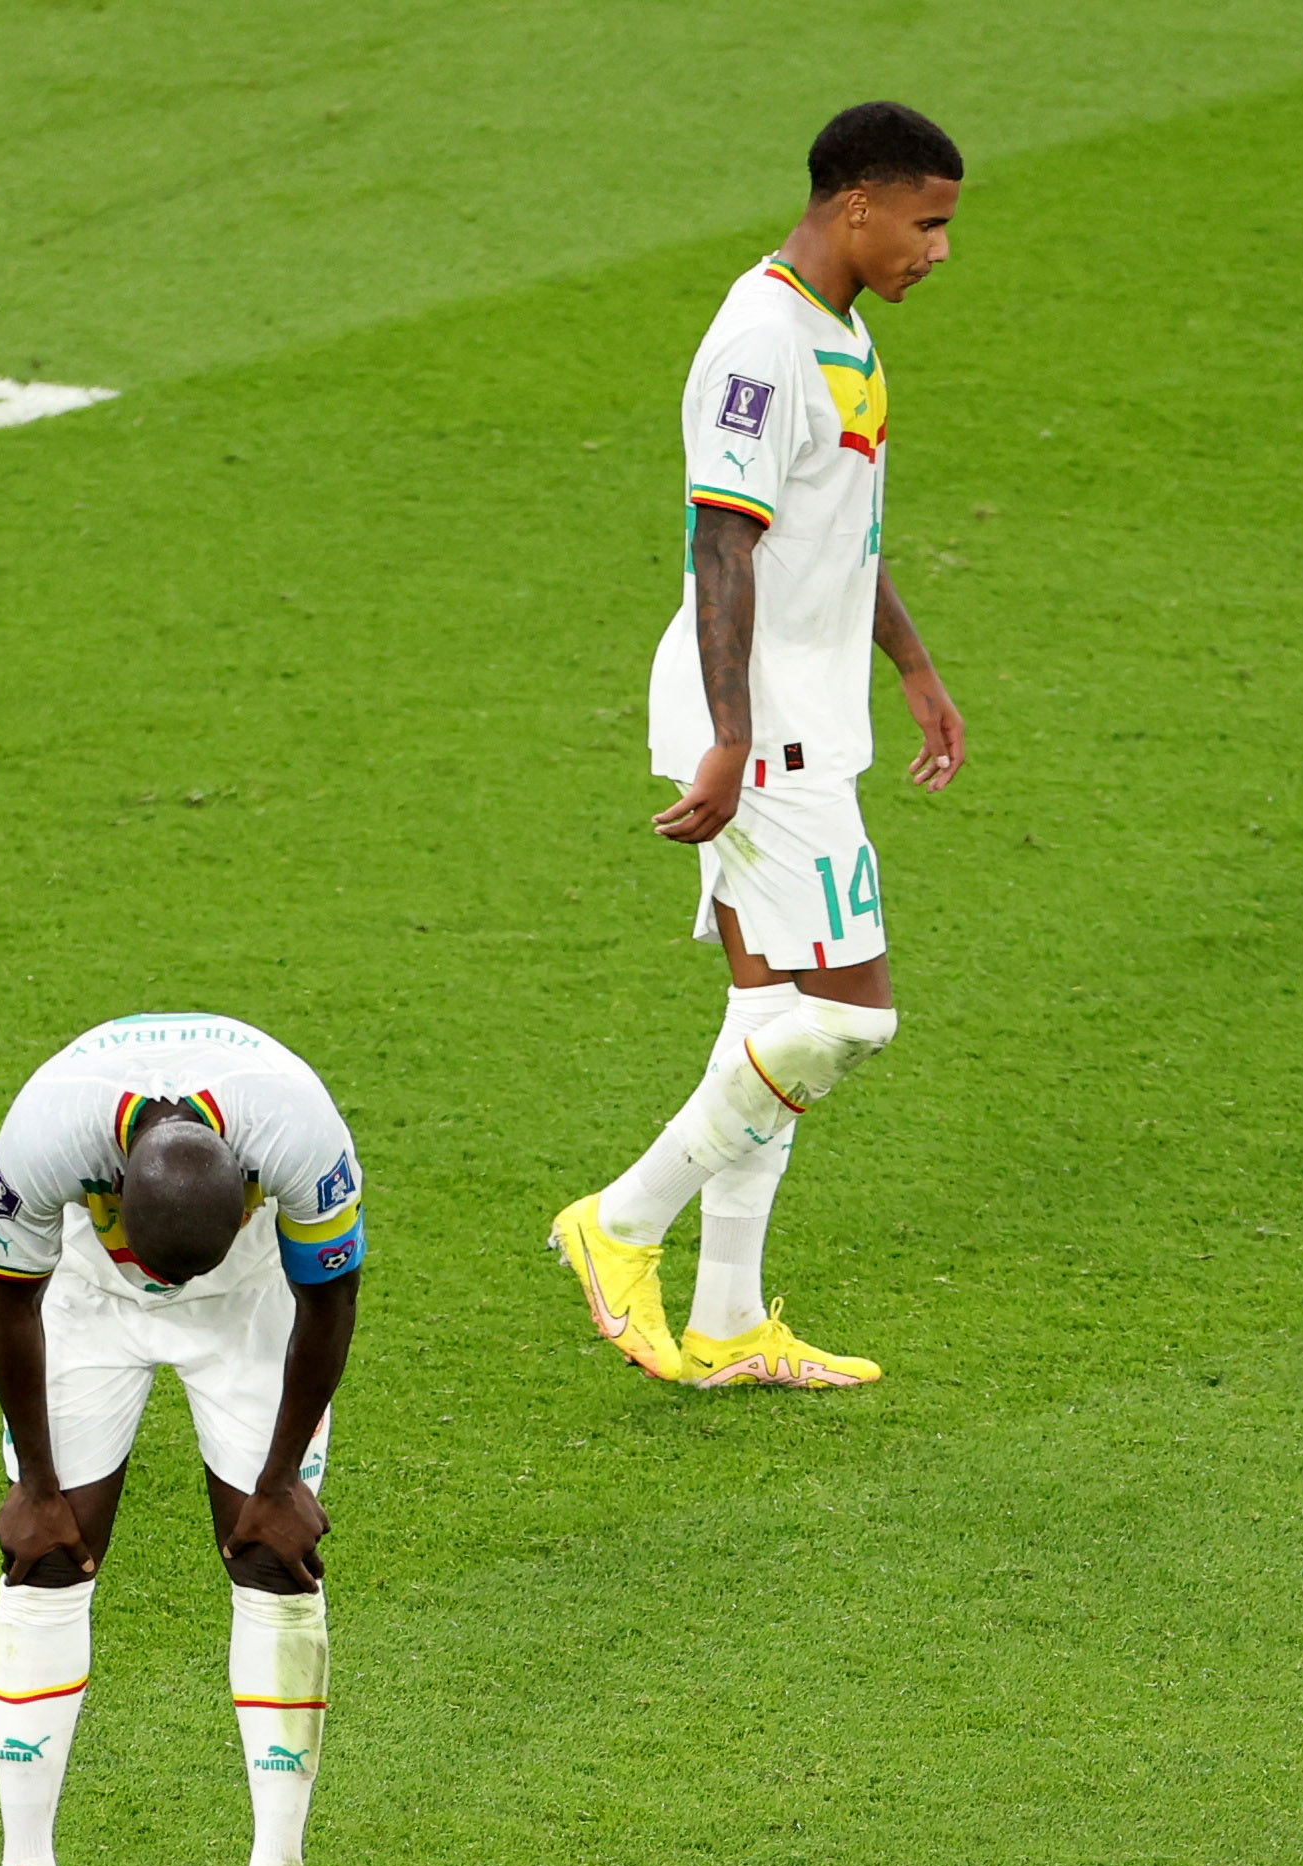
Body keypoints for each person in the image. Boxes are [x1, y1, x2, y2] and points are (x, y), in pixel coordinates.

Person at [552, 100, 971, 1389]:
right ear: (857, 204)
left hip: (803, 715)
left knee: (771, 1014)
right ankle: (617, 1224)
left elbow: (833, 531)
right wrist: (731, 739)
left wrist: (910, 665)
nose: (938, 251)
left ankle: (729, 1319)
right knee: (846, 1022)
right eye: (927, 222)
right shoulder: (759, 340)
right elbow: (720, 536)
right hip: (760, 729)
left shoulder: (840, 333)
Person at [0, 1013, 366, 1866]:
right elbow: (8, 1296)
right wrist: (39, 1483)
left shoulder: (301, 1133)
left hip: (252, 1306)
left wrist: (279, 1480)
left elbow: (331, 1299)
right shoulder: (44, 1136)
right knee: (45, 1554)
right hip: (89, 1307)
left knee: (276, 1556)